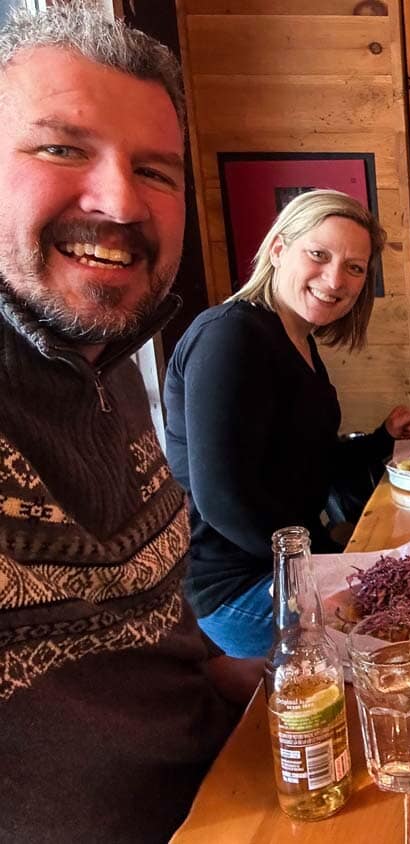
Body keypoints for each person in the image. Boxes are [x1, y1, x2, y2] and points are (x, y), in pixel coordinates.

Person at [0, 5, 260, 842]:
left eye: (156, 171)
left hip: (231, 779)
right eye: (61, 148)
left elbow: (148, 632)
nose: (119, 201)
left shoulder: (111, 370)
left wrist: (240, 678)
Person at [163, 189, 410, 659]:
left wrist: (381, 438)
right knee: (409, 637)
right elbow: (221, 497)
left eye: (355, 268)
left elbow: (313, 463)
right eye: (319, 254)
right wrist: (317, 567)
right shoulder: (229, 335)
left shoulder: (299, 343)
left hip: (293, 564)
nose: (335, 278)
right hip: (240, 589)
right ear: (279, 249)